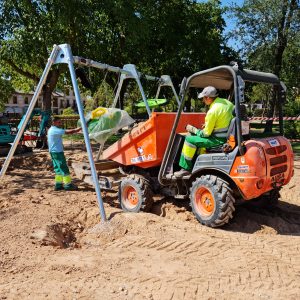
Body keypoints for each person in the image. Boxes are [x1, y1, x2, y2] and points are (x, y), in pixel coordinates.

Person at [174, 86, 234, 177]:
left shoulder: (212, 111)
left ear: (208, 98)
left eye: (203, 98)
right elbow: (224, 120)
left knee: (189, 139)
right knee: (199, 142)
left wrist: (194, 130)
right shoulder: (228, 104)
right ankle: (199, 166)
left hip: (218, 140)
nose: (203, 101)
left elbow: (206, 134)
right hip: (227, 136)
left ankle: (185, 169)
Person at [47, 117, 81, 191]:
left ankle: (58, 184)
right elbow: (69, 132)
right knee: (64, 168)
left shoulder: (51, 129)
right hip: (57, 152)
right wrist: (79, 129)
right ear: (54, 123)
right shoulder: (55, 130)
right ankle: (68, 185)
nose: (60, 123)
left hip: (53, 152)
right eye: (59, 122)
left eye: (61, 122)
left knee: (58, 169)